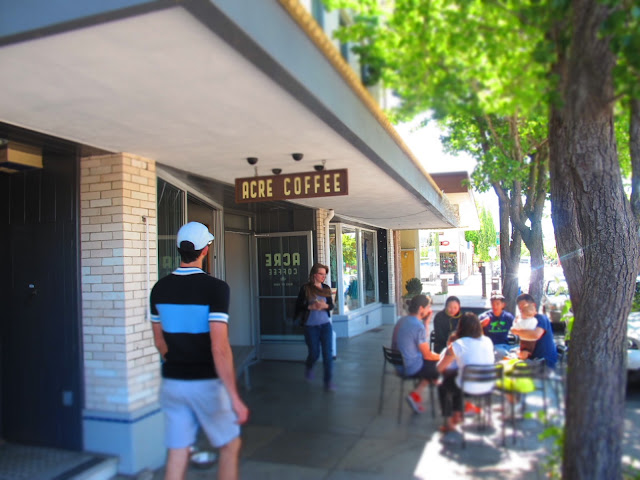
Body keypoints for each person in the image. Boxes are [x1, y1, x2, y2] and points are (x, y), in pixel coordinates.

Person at [150, 222, 249, 480]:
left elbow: (159, 342)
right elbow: (219, 348)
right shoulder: (216, 288)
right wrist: (234, 397)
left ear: (179, 250)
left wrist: (177, 360)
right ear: (205, 250)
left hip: (172, 383)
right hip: (205, 384)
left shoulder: (159, 288)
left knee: (178, 452)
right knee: (230, 445)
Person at [436, 312, 495, 433]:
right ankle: (458, 415)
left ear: (460, 327)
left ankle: (449, 423)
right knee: (457, 378)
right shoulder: (488, 341)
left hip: (468, 387)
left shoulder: (458, 344)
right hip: (488, 385)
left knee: (444, 385)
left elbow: (439, 368)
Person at [391, 294, 440, 414]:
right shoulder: (417, 326)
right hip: (410, 367)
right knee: (441, 365)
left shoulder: (402, 320)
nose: (430, 310)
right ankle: (417, 394)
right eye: (428, 307)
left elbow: (420, 340)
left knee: (435, 368)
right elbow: (427, 355)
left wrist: (426, 323)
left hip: (398, 364)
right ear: (421, 308)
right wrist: (443, 356)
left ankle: (419, 393)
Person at [295, 263, 336, 392]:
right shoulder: (306, 289)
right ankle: (309, 366)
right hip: (311, 326)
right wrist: (310, 307)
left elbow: (331, 306)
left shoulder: (326, 288)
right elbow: (298, 306)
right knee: (314, 353)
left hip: (325, 325)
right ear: (314, 275)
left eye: (325, 274)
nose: (324, 277)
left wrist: (325, 306)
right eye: (321, 274)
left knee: (327, 354)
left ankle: (328, 382)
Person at [512, 293, 558, 368]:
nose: (522, 311)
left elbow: (536, 335)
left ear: (533, 305)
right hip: (533, 358)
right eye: (520, 309)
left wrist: (516, 331)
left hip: (543, 362)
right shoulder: (525, 321)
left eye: (524, 307)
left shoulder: (541, 318)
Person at [479, 292, 515, 358]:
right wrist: (481, 325)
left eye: (497, 304)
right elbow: (473, 331)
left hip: (504, 345)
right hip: (490, 347)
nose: (495, 306)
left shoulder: (508, 317)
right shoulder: (484, 317)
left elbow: (518, 328)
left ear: (503, 305)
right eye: (493, 304)